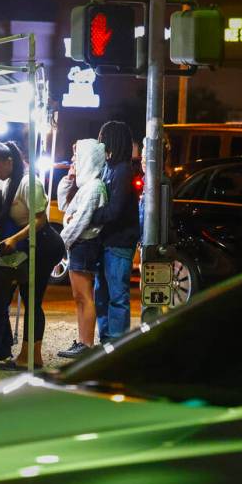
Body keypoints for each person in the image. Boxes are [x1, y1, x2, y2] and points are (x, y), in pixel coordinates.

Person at [0, 142, 65, 370]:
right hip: (23, 247)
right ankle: (8, 352)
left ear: (9, 161)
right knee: (11, 297)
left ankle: (32, 356)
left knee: (32, 300)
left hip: (44, 246)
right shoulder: (5, 181)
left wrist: (14, 239)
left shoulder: (29, 182)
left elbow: (41, 220)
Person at [55, 139, 107, 358]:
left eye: (77, 156)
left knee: (84, 296)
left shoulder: (94, 187)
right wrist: (69, 179)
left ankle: (86, 344)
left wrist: (60, 243)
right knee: (79, 296)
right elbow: (64, 207)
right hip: (79, 244)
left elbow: (80, 221)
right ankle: (82, 343)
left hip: (85, 245)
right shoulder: (85, 185)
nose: (73, 159)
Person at [89, 121, 139, 344]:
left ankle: (117, 343)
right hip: (106, 241)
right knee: (102, 294)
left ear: (112, 140)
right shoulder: (109, 168)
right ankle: (106, 339)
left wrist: (91, 215)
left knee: (117, 296)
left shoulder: (122, 170)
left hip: (119, 242)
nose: (100, 143)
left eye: (103, 138)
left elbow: (115, 210)